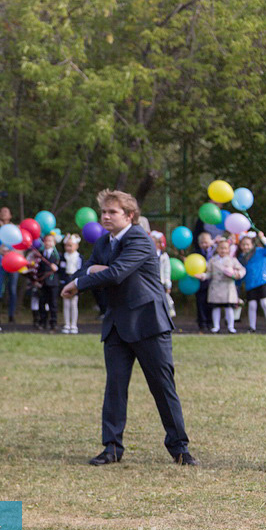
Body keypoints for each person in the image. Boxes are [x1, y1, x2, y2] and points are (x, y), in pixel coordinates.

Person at [62, 189, 196, 466]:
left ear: (130, 215)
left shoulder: (140, 240)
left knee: (162, 387)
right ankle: (111, 448)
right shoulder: (103, 242)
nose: (106, 217)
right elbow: (87, 269)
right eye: (104, 212)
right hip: (116, 325)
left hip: (149, 323)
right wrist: (86, 274)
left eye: (112, 212)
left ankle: (179, 448)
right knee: (115, 388)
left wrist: (82, 281)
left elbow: (116, 274)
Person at [196, 238, 245, 334]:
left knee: (229, 308)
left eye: (225, 248)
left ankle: (231, 327)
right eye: (221, 248)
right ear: (217, 249)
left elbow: (242, 269)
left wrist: (236, 274)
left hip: (228, 287)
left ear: (228, 250)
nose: (223, 250)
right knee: (216, 308)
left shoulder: (232, 260)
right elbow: (209, 273)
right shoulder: (213, 260)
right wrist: (202, 276)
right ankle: (216, 326)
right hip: (216, 287)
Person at [0, 191, 19, 322]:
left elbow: (21, 245)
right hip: (0, 261)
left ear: (11, 215)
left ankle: (11, 314)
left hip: (13, 263)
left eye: (6, 211)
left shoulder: (16, 228)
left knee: (12, 289)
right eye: (1, 211)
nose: (3, 213)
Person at [237, 231, 266, 332]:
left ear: (252, 244)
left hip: (262, 281)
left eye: (247, 244)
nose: (245, 247)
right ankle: (252, 327)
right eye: (243, 244)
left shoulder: (260, 251)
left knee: (265, 303)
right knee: (252, 305)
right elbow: (241, 272)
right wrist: (237, 285)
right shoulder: (241, 258)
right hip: (250, 284)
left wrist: (262, 238)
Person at [35, 232, 61, 331]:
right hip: (43, 282)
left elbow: (61, 269)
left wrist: (56, 268)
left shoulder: (58, 256)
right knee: (42, 303)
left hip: (53, 283)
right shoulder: (40, 254)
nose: (47, 243)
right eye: (46, 241)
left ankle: (53, 322)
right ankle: (42, 321)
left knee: (53, 303)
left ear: (54, 243)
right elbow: (37, 269)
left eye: (50, 241)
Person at [59, 234, 83, 334]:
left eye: (71, 245)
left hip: (75, 280)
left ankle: (74, 324)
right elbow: (61, 270)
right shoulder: (63, 257)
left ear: (76, 246)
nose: (68, 248)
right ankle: (67, 324)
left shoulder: (79, 257)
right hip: (66, 280)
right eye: (67, 246)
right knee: (66, 304)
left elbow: (81, 270)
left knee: (74, 304)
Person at [150, 231, 175, 319]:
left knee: (164, 302)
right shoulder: (147, 254)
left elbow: (166, 271)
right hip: (150, 283)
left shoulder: (164, 256)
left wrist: (168, 284)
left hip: (161, 283)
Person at [194, 231, 215, 331]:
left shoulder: (215, 252)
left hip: (213, 282)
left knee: (211, 303)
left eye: (206, 242)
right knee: (201, 302)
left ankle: (211, 322)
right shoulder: (196, 254)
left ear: (211, 242)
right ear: (199, 244)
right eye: (202, 243)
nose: (204, 245)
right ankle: (202, 323)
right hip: (200, 283)